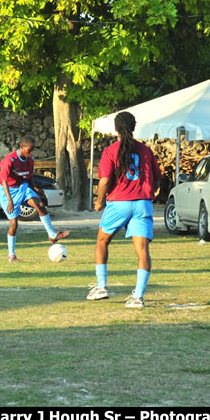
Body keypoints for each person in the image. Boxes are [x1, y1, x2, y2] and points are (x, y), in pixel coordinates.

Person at [87, 111, 161, 308]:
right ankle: (138, 297)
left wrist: (99, 200)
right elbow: (157, 178)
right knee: (143, 250)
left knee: (102, 241)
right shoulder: (145, 151)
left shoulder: (111, 151)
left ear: (115, 129)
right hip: (142, 202)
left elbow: (105, 180)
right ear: (134, 127)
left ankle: (102, 287)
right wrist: (146, 192)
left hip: (119, 202)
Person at [0, 135, 69, 263]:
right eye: (29, 150)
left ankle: (52, 234)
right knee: (14, 224)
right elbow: (3, 181)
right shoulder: (9, 160)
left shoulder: (30, 160)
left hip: (23, 188)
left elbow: (29, 177)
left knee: (40, 205)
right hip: (8, 191)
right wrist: (9, 200)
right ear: (21, 147)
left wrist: (35, 188)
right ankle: (11, 255)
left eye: (33, 150)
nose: (31, 153)